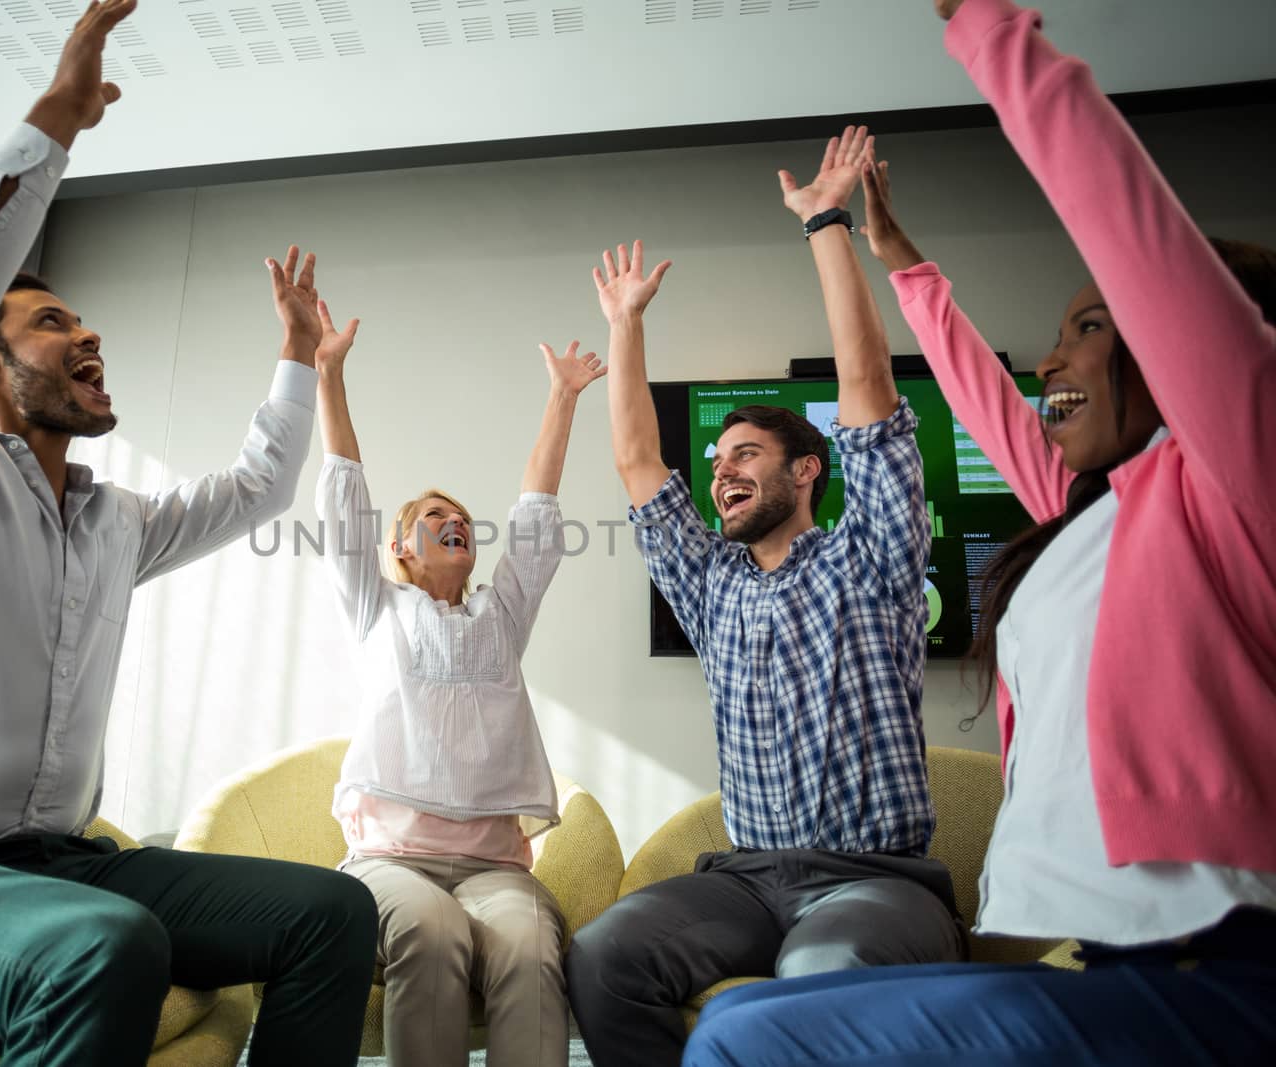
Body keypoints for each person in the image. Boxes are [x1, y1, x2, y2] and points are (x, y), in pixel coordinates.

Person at [0, 4, 376, 1064]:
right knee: (107, 942)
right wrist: (55, 120)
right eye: (50, 322)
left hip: (64, 863)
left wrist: (298, 355)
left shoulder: (114, 521)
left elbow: (260, 489)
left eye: (84, 322)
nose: (86, 330)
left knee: (334, 911)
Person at [682, 1, 1276, 1064]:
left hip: (1223, 959)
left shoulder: (1237, 473)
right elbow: (979, 392)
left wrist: (990, 30)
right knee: (731, 1020)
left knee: (745, 1044)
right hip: (1092, 955)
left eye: (1087, 330)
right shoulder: (1092, 511)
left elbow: (1134, 234)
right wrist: (892, 251)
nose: (1050, 363)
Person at [566, 125, 966, 1067]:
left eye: (745, 454)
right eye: (717, 461)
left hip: (877, 881)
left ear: (808, 470)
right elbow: (636, 460)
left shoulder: (872, 555)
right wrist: (626, 324)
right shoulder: (709, 585)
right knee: (601, 952)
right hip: (745, 881)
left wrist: (826, 221)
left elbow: (868, 387)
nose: (721, 470)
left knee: (820, 969)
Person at [311, 299, 606, 1066]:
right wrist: (328, 372)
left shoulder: (501, 616)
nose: (456, 523)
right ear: (402, 548)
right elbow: (343, 496)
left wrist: (564, 396)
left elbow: (536, 516)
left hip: (494, 867)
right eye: (435, 516)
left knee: (527, 947)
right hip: (389, 864)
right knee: (432, 932)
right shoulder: (376, 606)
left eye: (464, 519)